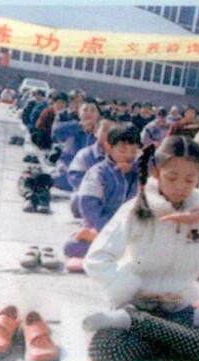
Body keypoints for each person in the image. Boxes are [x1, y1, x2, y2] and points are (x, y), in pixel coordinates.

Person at [82, 136, 199, 361]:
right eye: (172, 177)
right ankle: (166, 335)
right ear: (156, 172)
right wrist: (132, 288)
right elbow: (97, 258)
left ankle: (144, 329)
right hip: (137, 303)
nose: (180, 187)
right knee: (107, 352)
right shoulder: (136, 209)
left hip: (179, 309)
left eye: (190, 179)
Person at [63, 124, 141, 272]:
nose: (128, 156)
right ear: (109, 147)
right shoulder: (98, 173)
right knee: (72, 246)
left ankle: (115, 252)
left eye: (133, 151)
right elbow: (89, 209)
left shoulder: (138, 172)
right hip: (102, 227)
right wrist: (107, 231)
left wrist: (134, 168)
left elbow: (158, 166)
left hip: (131, 228)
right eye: (122, 150)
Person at [68, 117, 116, 218]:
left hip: (113, 196)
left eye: (113, 131)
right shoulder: (85, 154)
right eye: (105, 130)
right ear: (95, 132)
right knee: (78, 200)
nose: (109, 134)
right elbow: (75, 177)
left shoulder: (119, 155)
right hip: (90, 193)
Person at [50, 98, 100, 191]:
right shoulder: (72, 128)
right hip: (68, 169)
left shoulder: (101, 134)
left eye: (93, 110)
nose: (88, 113)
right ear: (79, 113)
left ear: (98, 115)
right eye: (85, 110)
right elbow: (56, 131)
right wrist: (79, 126)